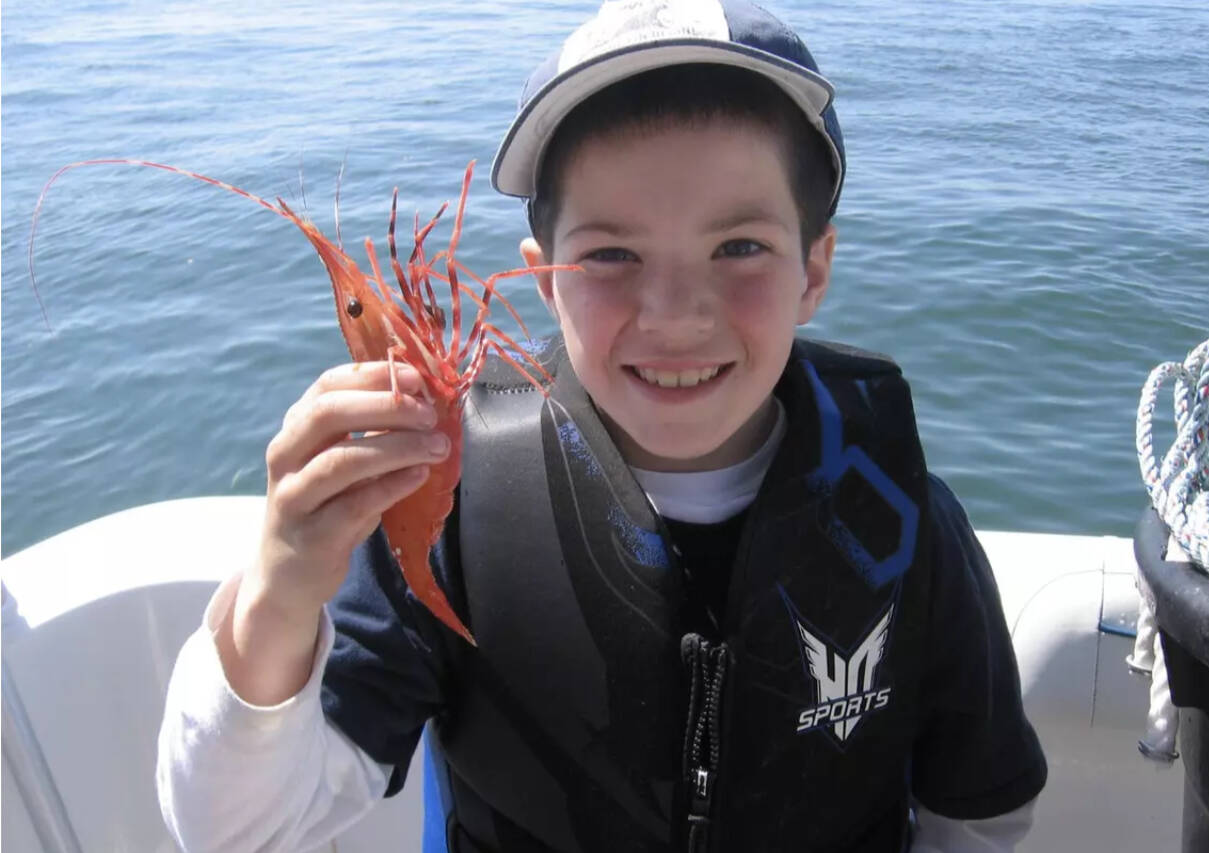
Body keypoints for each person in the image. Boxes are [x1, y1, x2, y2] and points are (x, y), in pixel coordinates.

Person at [157, 1, 1047, 851]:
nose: (674, 314)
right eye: (611, 254)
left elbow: (978, 807)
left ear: (815, 268)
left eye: (739, 247)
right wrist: (279, 591)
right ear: (543, 279)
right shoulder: (447, 516)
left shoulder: (908, 524)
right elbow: (235, 832)